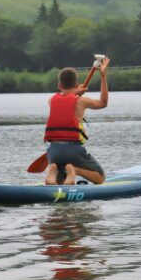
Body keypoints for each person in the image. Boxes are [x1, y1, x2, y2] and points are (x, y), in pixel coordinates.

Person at [43, 57, 110, 185]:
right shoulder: (82, 101)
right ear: (76, 84)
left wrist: (76, 92)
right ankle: (75, 170)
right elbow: (103, 103)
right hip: (73, 150)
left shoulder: (51, 100)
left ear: (59, 85)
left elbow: (67, 101)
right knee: (100, 177)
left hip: (53, 152)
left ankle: (53, 171)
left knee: (60, 179)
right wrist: (103, 76)